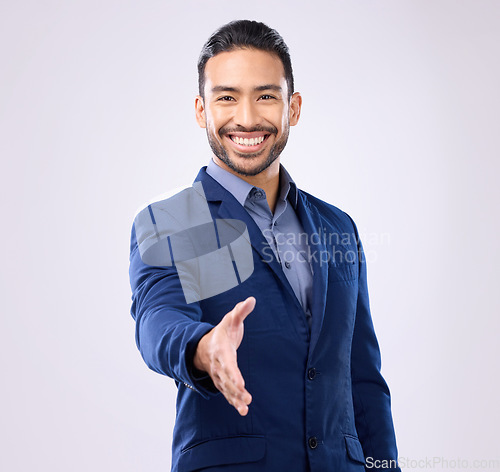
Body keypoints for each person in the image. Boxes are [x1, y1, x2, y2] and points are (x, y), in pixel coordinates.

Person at [129, 19, 401, 472]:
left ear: (292, 107)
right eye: (227, 97)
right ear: (202, 110)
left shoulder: (338, 227)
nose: (248, 118)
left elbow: (363, 379)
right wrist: (203, 347)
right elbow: (158, 319)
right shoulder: (172, 222)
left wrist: (382, 466)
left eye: (266, 96)